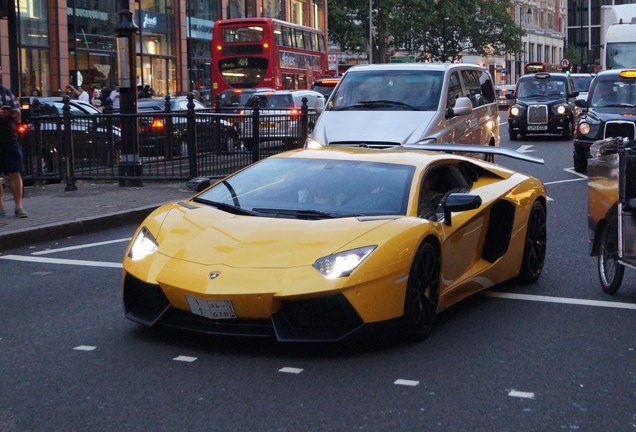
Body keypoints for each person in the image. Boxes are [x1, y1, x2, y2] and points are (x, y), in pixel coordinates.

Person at [0, 82, 27, 218]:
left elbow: (19, 117)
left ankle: (19, 206)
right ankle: (0, 206)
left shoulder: (7, 93)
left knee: (15, 171)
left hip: (9, 136)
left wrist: (15, 114)